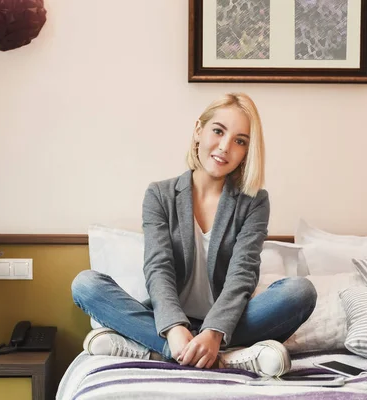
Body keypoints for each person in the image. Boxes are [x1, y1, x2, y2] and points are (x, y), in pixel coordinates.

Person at [71, 93, 317, 376]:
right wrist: (175, 329)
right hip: (166, 322)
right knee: (86, 285)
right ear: (199, 130)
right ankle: (216, 356)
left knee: (300, 291)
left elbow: (243, 275)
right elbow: (158, 268)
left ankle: (163, 350)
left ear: (247, 152)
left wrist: (214, 331)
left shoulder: (254, 201)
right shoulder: (159, 195)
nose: (225, 147)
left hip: (229, 323)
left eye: (240, 141)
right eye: (218, 131)